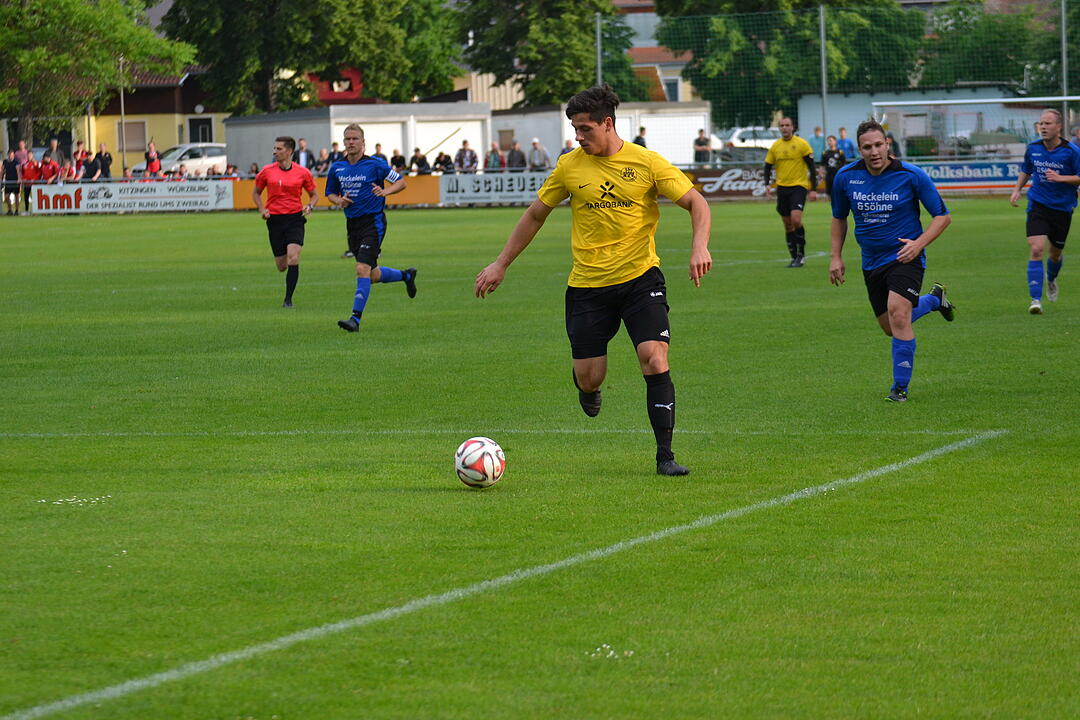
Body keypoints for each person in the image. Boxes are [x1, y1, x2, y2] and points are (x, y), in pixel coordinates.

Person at [474, 85, 712, 476]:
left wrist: (699, 247)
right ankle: (586, 386)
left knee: (654, 358)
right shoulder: (569, 166)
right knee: (589, 377)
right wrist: (501, 263)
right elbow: (536, 215)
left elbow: (696, 203)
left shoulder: (647, 163)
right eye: (574, 129)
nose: (578, 136)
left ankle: (665, 456)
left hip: (640, 278)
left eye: (584, 128)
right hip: (588, 287)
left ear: (608, 123)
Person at [829, 119, 955, 403]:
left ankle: (900, 388)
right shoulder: (845, 177)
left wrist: (918, 244)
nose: (874, 152)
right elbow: (839, 218)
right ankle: (935, 300)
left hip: (905, 256)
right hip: (871, 261)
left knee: (899, 314)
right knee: (889, 327)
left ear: (888, 144)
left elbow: (943, 216)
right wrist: (835, 256)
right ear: (859, 149)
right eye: (866, 147)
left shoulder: (911, 175)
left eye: (878, 145)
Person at [325, 123, 418, 332]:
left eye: (354, 139)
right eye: (347, 139)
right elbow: (330, 193)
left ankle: (355, 319)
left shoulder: (376, 164)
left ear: (363, 143)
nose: (350, 142)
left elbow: (401, 182)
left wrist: (386, 192)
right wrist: (338, 201)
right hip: (352, 224)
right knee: (372, 274)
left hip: (373, 222)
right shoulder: (337, 168)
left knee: (361, 269)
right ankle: (407, 275)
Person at [1009, 108, 1080, 314]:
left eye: (1048, 123)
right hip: (1038, 205)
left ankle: (1051, 279)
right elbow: (1026, 169)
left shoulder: (1071, 151)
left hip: (1062, 208)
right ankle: (1036, 300)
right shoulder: (1033, 148)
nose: (1043, 127)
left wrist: (1061, 178)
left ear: (1059, 127)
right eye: (1041, 123)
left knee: (1055, 254)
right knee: (1036, 249)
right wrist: (1017, 190)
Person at [253, 136, 318, 308]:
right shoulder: (266, 171)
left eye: (279, 149)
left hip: (295, 218)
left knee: (293, 257)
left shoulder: (303, 172)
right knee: (282, 266)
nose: (275, 151)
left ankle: (288, 300)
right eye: (274, 148)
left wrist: (310, 207)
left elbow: (314, 195)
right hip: (274, 220)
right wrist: (262, 209)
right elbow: (256, 193)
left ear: (289, 151)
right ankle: (287, 294)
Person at [764, 117, 817, 267]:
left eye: (787, 125)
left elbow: (812, 168)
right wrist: (767, 184)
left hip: (799, 187)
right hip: (782, 188)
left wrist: (813, 189)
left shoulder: (802, 144)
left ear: (793, 127)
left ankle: (801, 254)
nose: (785, 128)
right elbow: (767, 166)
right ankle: (794, 257)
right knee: (787, 224)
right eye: (782, 126)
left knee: (796, 220)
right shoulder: (775, 146)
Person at [2, 149, 19, 215]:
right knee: (6, 196)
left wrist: (19, 179)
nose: (10, 156)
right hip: (8, 181)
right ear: (8, 155)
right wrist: (1, 179)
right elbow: (2, 171)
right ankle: (10, 210)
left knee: (16, 196)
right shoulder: (5, 162)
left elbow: (18, 171)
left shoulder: (16, 162)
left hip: (15, 181)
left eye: (12, 155)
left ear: (13, 155)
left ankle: (16, 210)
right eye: (9, 154)